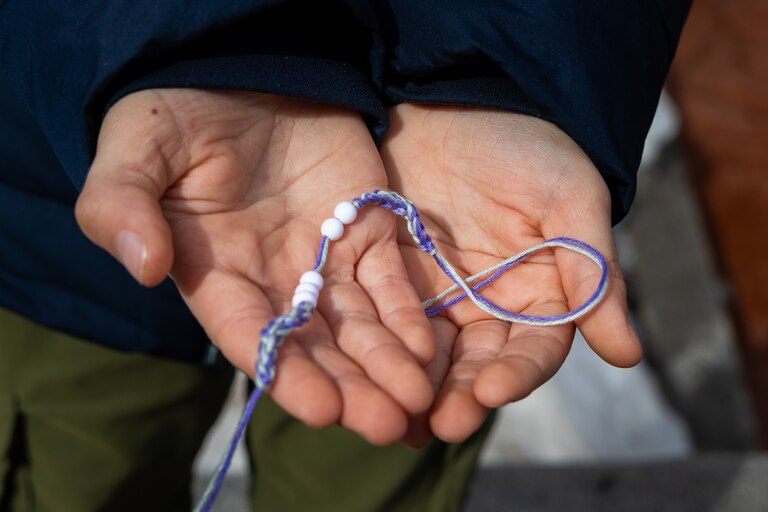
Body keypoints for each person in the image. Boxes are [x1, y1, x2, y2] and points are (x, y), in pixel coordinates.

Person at [0, 1, 691, 510]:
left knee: (372, 460)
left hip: (424, 250)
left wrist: (512, 79)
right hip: (58, 240)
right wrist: (172, 50)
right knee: (82, 478)